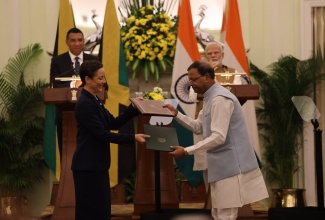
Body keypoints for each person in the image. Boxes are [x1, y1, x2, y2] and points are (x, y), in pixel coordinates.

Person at [165, 61, 268, 220]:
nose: (190, 85)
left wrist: (187, 150)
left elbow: (219, 137)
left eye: (194, 80)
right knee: (218, 213)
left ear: (207, 76)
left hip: (231, 165)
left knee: (226, 214)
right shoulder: (209, 97)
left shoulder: (220, 98)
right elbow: (199, 127)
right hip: (220, 165)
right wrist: (176, 115)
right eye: (189, 80)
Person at [71, 60, 149, 220]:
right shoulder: (85, 103)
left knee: (101, 210)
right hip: (87, 167)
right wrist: (132, 137)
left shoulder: (94, 99)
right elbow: (102, 134)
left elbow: (113, 123)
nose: (104, 82)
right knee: (90, 213)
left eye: (104, 77)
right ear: (87, 79)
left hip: (96, 165)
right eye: (100, 78)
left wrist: (133, 108)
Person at [50, 27, 100, 156]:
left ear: (84, 41)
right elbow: (54, 85)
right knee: (67, 154)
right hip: (65, 115)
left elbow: (103, 85)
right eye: (73, 40)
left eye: (79, 40)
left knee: (89, 155)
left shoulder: (94, 61)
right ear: (66, 42)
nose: (77, 43)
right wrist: (75, 85)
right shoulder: (57, 61)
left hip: (90, 115)